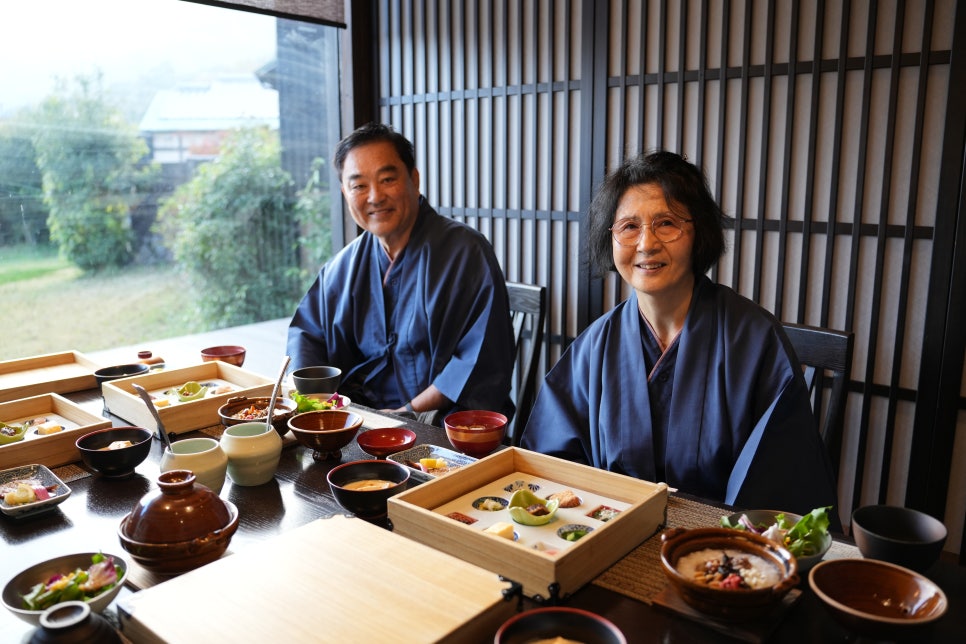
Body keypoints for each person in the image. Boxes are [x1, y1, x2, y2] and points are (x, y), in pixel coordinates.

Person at [519, 151, 838, 517]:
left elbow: (781, 486)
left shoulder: (754, 341)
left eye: (666, 223)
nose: (646, 244)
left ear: (697, 232)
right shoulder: (595, 346)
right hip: (611, 536)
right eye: (628, 226)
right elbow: (550, 466)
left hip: (718, 554)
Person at [286, 123, 515, 424]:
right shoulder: (342, 266)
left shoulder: (466, 253)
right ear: (345, 192)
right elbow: (307, 335)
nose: (375, 197)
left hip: (439, 423)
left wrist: (406, 412)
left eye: (387, 179)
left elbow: (480, 358)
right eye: (359, 185)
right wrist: (319, 404)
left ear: (414, 180)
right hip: (359, 419)